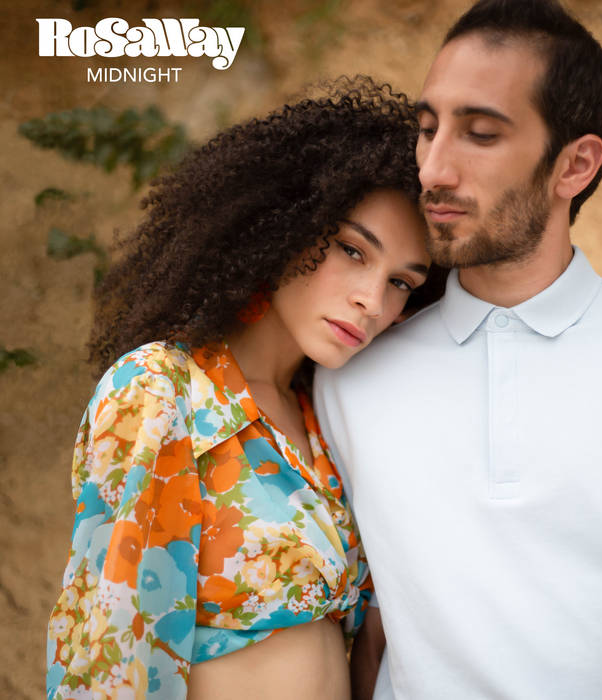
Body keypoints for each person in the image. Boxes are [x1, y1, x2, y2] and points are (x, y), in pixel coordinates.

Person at [314, 2, 602, 699]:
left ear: (574, 165)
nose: (433, 169)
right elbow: (367, 628)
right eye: (427, 130)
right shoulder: (349, 373)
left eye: (481, 133)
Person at [46, 77, 435, 700]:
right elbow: (111, 647)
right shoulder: (162, 391)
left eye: (401, 283)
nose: (372, 300)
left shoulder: (326, 418)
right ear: (285, 226)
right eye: (352, 250)